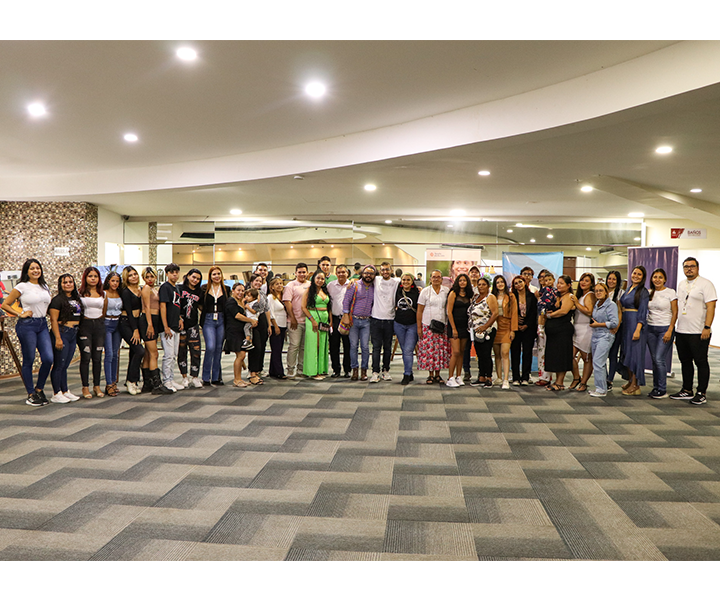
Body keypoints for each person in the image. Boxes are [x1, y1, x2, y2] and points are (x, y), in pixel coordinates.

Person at [1, 259, 53, 406]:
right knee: (29, 359)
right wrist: (20, 314)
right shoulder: (22, 286)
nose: (35, 270)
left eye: (38, 268)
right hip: (27, 325)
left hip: (42, 324)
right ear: (26, 271)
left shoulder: (44, 286)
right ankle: (30, 394)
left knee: (48, 358)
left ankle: (39, 389)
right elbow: (5, 304)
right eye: (32, 269)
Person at [670, 257, 717, 405]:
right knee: (685, 361)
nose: (689, 269)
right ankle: (687, 389)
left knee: (701, 361)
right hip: (682, 330)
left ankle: (701, 392)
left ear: (697, 268)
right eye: (686, 267)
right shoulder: (681, 284)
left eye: (692, 266)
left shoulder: (706, 284)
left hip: (699, 331)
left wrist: (707, 327)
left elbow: (711, 307)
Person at [47, 274, 82, 403]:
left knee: (65, 364)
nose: (68, 284)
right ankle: (56, 393)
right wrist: (57, 338)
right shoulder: (57, 300)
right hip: (62, 332)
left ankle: (65, 390)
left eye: (70, 282)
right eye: (65, 282)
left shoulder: (76, 298)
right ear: (60, 285)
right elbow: (54, 320)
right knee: (59, 364)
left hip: (73, 333)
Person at [139, 267, 172, 395]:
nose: (150, 279)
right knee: (154, 354)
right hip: (148, 320)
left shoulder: (154, 289)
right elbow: (146, 307)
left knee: (148, 353)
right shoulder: (146, 288)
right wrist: (150, 324)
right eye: (147, 277)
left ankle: (148, 383)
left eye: (152, 276)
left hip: (155, 319)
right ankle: (157, 384)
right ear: (144, 278)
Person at [646, 268, 678, 400]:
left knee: (659, 359)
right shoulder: (649, 293)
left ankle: (662, 389)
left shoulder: (670, 292)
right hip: (650, 329)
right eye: (655, 277)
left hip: (665, 328)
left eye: (660, 277)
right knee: (655, 360)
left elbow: (675, 312)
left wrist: (670, 329)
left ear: (664, 279)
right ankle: (656, 387)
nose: (657, 280)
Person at [618, 266, 649, 396]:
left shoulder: (643, 291)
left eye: (639, 274)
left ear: (643, 277)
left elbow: (643, 312)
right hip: (626, 324)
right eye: (634, 273)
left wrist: (638, 329)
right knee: (627, 352)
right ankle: (631, 380)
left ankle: (636, 384)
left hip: (635, 324)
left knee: (635, 355)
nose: (636, 275)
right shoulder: (628, 289)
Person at [416, 270, 451, 384]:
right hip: (427, 325)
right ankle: (430, 375)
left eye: (438, 277)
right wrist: (419, 327)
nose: (436, 279)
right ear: (430, 279)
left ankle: (438, 374)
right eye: (434, 277)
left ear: (441, 279)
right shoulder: (425, 292)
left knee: (439, 351)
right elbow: (419, 311)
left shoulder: (446, 291)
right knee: (430, 352)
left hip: (442, 325)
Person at [342, 265, 375, 381]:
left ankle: (364, 370)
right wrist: (346, 315)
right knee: (353, 346)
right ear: (362, 273)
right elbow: (346, 301)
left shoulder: (374, 287)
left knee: (365, 347)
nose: (368, 275)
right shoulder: (354, 285)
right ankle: (354, 370)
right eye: (366, 273)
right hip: (353, 321)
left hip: (367, 321)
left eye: (371, 274)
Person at [78, 266, 107, 399]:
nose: (93, 279)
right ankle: (85, 387)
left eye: (95, 276)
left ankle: (97, 386)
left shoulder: (103, 293)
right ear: (85, 278)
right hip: (85, 326)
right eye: (90, 276)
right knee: (86, 357)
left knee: (97, 357)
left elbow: (104, 311)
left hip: (99, 326)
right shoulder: (79, 293)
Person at [200, 266, 231, 386]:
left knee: (218, 348)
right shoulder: (204, 289)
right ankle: (206, 377)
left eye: (219, 274)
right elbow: (200, 305)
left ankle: (216, 377)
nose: (217, 276)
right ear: (210, 276)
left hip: (222, 319)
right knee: (210, 347)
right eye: (214, 274)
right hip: (209, 320)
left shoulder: (226, 289)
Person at [370, 261, 400, 382]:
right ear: (380, 271)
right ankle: (375, 372)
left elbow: (409, 281)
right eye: (382, 270)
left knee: (387, 347)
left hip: (390, 319)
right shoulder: (375, 279)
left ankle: (385, 370)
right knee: (376, 347)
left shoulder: (396, 282)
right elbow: (361, 278)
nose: (385, 272)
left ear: (391, 270)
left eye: (387, 269)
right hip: (376, 319)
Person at [544, 275, 575, 391]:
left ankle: (560, 382)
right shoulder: (558, 297)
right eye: (558, 283)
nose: (558, 285)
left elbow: (564, 311)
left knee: (562, 356)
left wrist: (549, 315)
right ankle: (557, 381)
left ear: (568, 285)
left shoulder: (569, 296)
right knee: (555, 357)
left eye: (562, 283)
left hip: (563, 330)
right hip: (554, 332)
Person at [588, 282, 619, 397]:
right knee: (599, 363)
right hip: (595, 335)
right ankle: (601, 386)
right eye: (596, 291)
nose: (598, 293)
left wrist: (598, 324)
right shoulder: (597, 304)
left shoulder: (611, 305)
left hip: (605, 335)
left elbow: (614, 323)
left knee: (598, 362)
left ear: (606, 292)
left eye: (601, 290)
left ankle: (601, 389)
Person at [119, 266, 145, 395]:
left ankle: (133, 381)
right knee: (140, 351)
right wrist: (135, 329)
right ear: (126, 278)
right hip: (126, 323)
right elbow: (129, 312)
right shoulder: (125, 291)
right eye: (130, 275)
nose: (134, 276)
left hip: (138, 322)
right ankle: (131, 380)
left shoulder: (141, 289)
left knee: (134, 352)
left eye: (135, 274)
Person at [468, 277, 499, 387]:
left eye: (483, 284)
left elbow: (495, 313)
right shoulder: (476, 297)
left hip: (488, 329)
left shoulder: (490, 297)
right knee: (479, 353)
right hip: (476, 330)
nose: (481, 286)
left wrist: (486, 326)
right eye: (479, 284)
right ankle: (481, 376)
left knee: (486, 353)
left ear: (488, 286)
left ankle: (489, 377)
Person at [302, 269, 331, 380]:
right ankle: (312, 371)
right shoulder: (309, 291)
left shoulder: (325, 291)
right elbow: (303, 307)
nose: (320, 280)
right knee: (314, 344)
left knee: (323, 344)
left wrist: (330, 320)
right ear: (313, 279)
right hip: (313, 319)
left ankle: (321, 369)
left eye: (322, 278)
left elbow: (329, 307)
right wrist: (312, 320)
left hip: (324, 321)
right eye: (318, 278)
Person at [282, 263, 310, 379]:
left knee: (304, 346)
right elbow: (287, 302)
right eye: (299, 272)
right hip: (294, 321)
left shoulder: (310, 285)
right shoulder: (290, 285)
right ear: (296, 273)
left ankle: (301, 369)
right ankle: (290, 369)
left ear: (307, 273)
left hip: (307, 321)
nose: (302, 274)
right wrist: (292, 317)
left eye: (304, 272)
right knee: (294, 346)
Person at [570, 273, 597, 392]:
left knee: (587, 358)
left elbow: (589, 312)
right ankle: (576, 377)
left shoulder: (590, 295)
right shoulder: (581, 295)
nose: (583, 282)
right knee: (569, 356)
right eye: (582, 280)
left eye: (586, 281)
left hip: (586, 329)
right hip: (576, 328)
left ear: (591, 284)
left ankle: (584, 382)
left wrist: (576, 303)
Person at [224, 282, 255, 387]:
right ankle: (236, 380)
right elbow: (237, 316)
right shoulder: (231, 301)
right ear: (233, 291)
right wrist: (251, 320)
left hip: (240, 331)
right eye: (238, 290)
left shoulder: (241, 302)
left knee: (241, 355)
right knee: (241, 355)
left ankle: (239, 378)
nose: (241, 292)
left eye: (242, 291)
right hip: (233, 331)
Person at [159, 263, 183, 392]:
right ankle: (166, 380)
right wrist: (165, 326)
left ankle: (171, 378)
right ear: (167, 273)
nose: (175, 274)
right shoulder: (165, 287)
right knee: (168, 355)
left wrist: (179, 319)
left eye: (176, 272)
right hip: (167, 327)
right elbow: (163, 307)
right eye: (172, 272)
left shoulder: (176, 288)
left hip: (175, 325)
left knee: (174, 354)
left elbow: (176, 306)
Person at [445, 273, 472, 387]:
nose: (462, 282)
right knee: (455, 352)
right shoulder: (453, 293)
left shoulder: (469, 294)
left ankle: (458, 376)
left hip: (465, 327)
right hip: (454, 326)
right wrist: (454, 328)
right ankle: (450, 377)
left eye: (464, 280)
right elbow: (449, 312)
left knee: (462, 352)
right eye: (460, 280)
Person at [178, 268, 203, 389]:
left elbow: (202, 307)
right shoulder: (180, 289)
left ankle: (195, 376)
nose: (195, 280)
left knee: (196, 351)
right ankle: (184, 377)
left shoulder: (200, 292)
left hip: (193, 325)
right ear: (188, 276)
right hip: (181, 324)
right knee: (181, 351)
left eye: (198, 278)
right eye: (193, 277)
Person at [491, 274, 518, 389]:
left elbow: (514, 313)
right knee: (497, 354)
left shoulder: (511, 296)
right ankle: (498, 377)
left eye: (502, 282)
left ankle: (506, 379)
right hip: (494, 326)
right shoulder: (491, 296)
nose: (500, 284)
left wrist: (513, 330)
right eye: (497, 282)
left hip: (506, 326)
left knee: (505, 353)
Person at [510, 275, 537, 385]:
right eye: (516, 283)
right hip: (515, 328)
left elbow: (534, 313)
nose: (518, 284)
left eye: (520, 282)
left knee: (527, 352)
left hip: (528, 328)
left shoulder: (532, 296)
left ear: (525, 282)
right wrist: (516, 322)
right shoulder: (512, 296)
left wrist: (526, 324)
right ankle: (515, 377)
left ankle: (525, 377)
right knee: (515, 352)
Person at [394, 273, 420, 385]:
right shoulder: (397, 291)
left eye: (408, 280)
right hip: (399, 324)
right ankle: (410, 372)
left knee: (408, 350)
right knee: (405, 350)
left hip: (412, 325)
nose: (405, 282)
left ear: (412, 281)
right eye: (403, 280)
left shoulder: (417, 293)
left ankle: (406, 374)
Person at [247, 274, 272, 385]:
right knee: (255, 346)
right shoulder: (247, 293)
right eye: (256, 281)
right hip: (251, 320)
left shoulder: (262, 293)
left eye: (260, 281)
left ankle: (259, 369)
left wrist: (269, 325)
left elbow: (266, 309)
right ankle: (252, 370)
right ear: (251, 281)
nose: (258, 283)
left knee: (262, 346)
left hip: (262, 319)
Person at [327, 265, 352, 378]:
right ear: (336, 274)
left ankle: (347, 370)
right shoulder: (330, 286)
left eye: (343, 272)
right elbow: (328, 304)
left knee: (348, 345)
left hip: (348, 320)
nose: (341, 274)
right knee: (334, 346)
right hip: (335, 319)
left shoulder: (352, 285)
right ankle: (336, 370)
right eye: (339, 272)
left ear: (347, 273)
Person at [103, 271, 123, 397]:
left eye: (117, 281)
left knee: (115, 354)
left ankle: (114, 382)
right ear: (108, 281)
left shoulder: (120, 293)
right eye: (113, 281)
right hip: (106, 323)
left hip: (117, 324)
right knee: (109, 354)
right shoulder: (104, 293)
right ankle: (108, 383)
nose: (115, 283)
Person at [535, 270, 557, 387]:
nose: (545, 281)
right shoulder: (540, 292)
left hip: (550, 322)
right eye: (542, 278)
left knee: (547, 351)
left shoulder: (555, 292)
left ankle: (547, 377)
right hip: (540, 322)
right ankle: (542, 376)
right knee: (541, 350)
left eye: (548, 278)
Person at [462, 265, 483, 381]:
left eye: (476, 272)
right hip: (467, 322)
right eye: (472, 272)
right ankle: (466, 371)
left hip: (480, 322)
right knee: (466, 349)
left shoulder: (482, 288)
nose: (474, 274)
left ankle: (482, 372)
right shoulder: (465, 288)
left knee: (480, 348)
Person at [605, 270, 624, 390]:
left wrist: (617, 326)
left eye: (614, 279)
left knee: (613, 354)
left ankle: (609, 380)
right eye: (609, 278)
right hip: (602, 326)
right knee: (602, 355)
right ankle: (603, 377)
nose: (611, 281)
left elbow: (620, 311)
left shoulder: (621, 293)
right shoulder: (602, 291)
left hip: (615, 327)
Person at [267, 277, 288, 379]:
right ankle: (280, 372)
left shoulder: (282, 296)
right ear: (272, 287)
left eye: (281, 283)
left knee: (278, 349)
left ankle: (273, 371)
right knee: (276, 349)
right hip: (276, 325)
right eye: (277, 284)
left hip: (283, 324)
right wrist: (275, 326)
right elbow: (270, 313)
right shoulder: (270, 297)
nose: (280, 285)